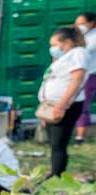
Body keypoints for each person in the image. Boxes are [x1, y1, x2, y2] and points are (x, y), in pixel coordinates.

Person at [38, 27, 88, 177]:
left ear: (67, 42)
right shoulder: (65, 57)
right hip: (51, 105)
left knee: (59, 144)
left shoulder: (78, 53)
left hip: (65, 106)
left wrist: (62, 105)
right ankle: (54, 172)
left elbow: (77, 79)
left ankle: (57, 176)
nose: (52, 49)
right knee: (54, 144)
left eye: (55, 45)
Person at [74, 12, 96, 145]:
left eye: (82, 23)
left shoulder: (93, 37)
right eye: (77, 23)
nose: (78, 26)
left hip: (90, 75)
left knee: (83, 104)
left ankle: (80, 138)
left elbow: (84, 51)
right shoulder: (81, 35)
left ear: (92, 23)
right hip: (81, 75)